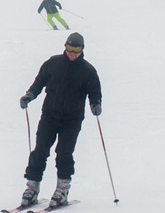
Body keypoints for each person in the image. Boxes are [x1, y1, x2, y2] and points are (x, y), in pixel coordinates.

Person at [18, 32, 102, 209]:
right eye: (69, 48)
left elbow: (95, 92)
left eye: (76, 49)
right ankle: (32, 188)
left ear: (82, 50)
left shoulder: (88, 71)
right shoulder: (53, 63)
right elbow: (39, 83)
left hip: (72, 119)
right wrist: (29, 95)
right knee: (40, 151)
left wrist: (96, 104)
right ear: (65, 47)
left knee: (64, 153)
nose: (72, 53)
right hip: (49, 115)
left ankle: (62, 190)